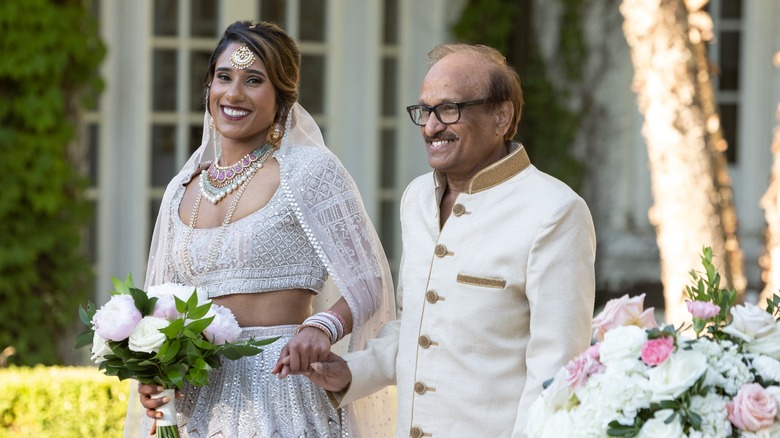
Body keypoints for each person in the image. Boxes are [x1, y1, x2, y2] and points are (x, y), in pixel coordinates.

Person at [298, 43, 596, 437]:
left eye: (449, 109)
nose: (431, 126)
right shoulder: (417, 198)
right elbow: (416, 324)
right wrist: (352, 371)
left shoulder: (555, 212)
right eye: (424, 110)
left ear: (501, 117)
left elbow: (555, 370)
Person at [125, 21, 396, 438]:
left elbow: (370, 279)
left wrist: (322, 327)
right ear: (208, 87)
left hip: (283, 389)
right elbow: (164, 303)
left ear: (282, 98)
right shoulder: (181, 190)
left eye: (254, 80)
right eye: (224, 77)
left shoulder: (309, 172)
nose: (234, 94)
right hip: (199, 401)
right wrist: (158, 374)